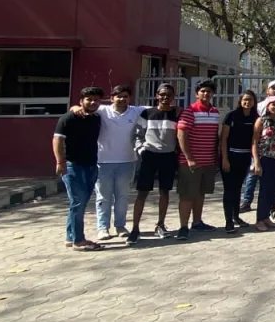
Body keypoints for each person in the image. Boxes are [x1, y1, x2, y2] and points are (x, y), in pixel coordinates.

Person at [82, 84, 143, 242]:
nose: (122, 99)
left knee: (122, 196)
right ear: (112, 98)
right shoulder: (102, 110)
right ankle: (102, 228)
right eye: (118, 96)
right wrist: (75, 107)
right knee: (103, 197)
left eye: (125, 96)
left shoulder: (136, 111)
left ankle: (120, 226)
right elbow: (82, 108)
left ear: (130, 98)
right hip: (103, 161)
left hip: (127, 161)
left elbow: (159, 108)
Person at [53, 86, 104, 251]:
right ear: (81, 101)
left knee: (79, 204)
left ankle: (70, 237)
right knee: (78, 203)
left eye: (96, 99)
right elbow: (57, 140)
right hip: (72, 166)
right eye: (89, 99)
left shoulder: (96, 118)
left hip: (91, 165)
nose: (93, 102)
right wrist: (60, 162)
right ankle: (79, 241)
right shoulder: (68, 118)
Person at [131, 83, 181, 243]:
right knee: (142, 193)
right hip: (149, 156)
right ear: (157, 95)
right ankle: (135, 228)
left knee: (164, 192)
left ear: (173, 97)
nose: (165, 98)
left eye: (169, 95)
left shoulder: (177, 114)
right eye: (162, 94)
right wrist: (141, 150)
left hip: (168, 157)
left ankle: (160, 224)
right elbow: (138, 134)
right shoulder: (147, 114)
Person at [176, 80, 221, 241]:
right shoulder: (190, 111)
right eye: (203, 91)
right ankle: (183, 227)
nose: (206, 94)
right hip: (190, 163)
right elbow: (181, 135)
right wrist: (189, 158)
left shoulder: (215, 112)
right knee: (187, 195)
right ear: (197, 93)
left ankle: (197, 222)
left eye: (209, 92)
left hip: (208, 161)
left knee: (200, 193)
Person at [220, 91, 258, 233]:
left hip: (244, 158)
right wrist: (224, 158)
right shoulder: (232, 116)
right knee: (229, 190)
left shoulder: (255, 118)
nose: (247, 102)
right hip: (230, 157)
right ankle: (228, 221)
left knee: (237, 189)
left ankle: (236, 216)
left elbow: (255, 140)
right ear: (240, 101)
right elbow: (223, 139)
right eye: (245, 100)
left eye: (250, 100)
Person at [251, 95, 275, 231]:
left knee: (273, 189)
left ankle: (266, 217)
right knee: (264, 189)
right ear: (267, 106)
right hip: (264, 157)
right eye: (273, 105)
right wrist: (256, 161)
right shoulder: (261, 121)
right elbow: (255, 141)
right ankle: (259, 219)